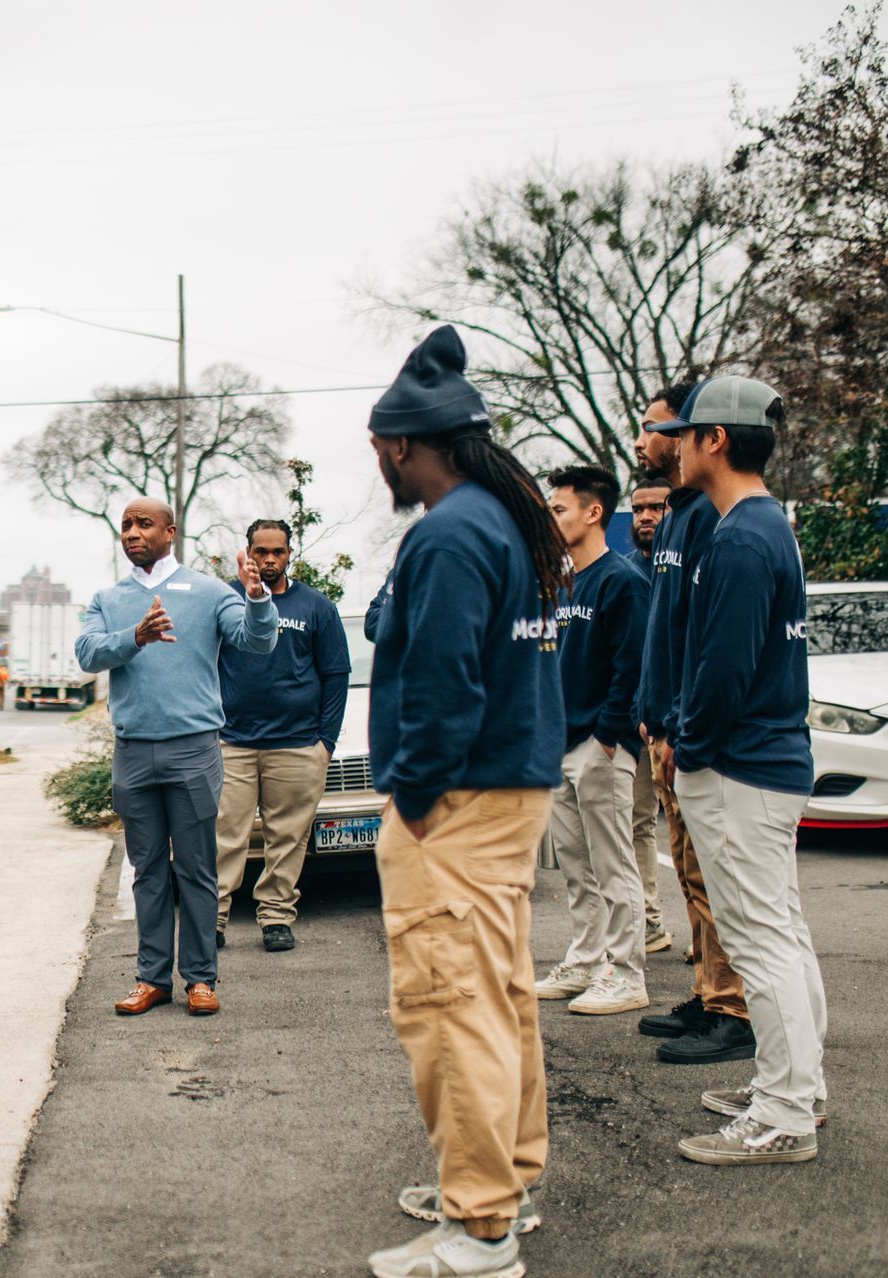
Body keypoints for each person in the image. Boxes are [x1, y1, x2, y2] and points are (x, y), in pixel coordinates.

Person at [363, 327, 565, 1278]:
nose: (380, 467)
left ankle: (479, 1227)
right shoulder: (505, 518)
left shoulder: (447, 533)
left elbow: (444, 683)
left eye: (379, 452)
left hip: (460, 802)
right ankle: (502, 1186)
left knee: (451, 1003)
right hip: (512, 788)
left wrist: (412, 799)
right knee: (500, 997)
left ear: (404, 444)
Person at [645, 377, 827, 1166]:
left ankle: (785, 1112)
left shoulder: (742, 537)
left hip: (742, 766)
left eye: (685, 435)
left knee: (761, 942)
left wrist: (692, 743)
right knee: (779, 932)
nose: (673, 447)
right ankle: (798, 1089)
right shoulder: (759, 525)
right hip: (762, 762)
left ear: (717, 439)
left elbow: (723, 667)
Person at [76, 499, 279, 1018]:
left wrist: (256, 599)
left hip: (193, 750)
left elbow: (257, 641)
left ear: (171, 531)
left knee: (195, 869)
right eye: (126, 525)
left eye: (144, 524)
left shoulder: (210, 592)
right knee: (146, 871)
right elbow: (87, 654)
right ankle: (151, 978)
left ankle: (200, 979)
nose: (132, 533)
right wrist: (134, 637)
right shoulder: (109, 597)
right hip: (133, 750)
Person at [632, 384, 755, 1066]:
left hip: (691, 734)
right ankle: (709, 992)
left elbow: (708, 638)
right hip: (662, 728)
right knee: (688, 875)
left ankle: (734, 1008)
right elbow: (665, 628)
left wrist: (681, 723)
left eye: (655, 429)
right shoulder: (676, 514)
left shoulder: (712, 514)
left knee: (712, 876)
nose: (646, 441)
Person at [534, 466, 651, 1016]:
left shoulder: (622, 580)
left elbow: (633, 666)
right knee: (576, 867)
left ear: (593, 512)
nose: (550, 518)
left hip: (601, 747)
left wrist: (608, 737)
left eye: (558, 509)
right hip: (562, 743)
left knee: (613, 864)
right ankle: (585, 960)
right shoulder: (562, 584)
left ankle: (627, 973)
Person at [214, 518, 350, 952]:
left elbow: (336, 674)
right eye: (260, 552)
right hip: (232, 742)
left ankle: (275, 916)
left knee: (288, 838)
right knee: (222, 834)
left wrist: (325, 742)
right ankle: (211, 918)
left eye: (277, 552)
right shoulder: (226, 600)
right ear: (248, 552)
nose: (269, 560)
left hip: (296, 744)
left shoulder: (316, 606)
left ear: (291, 553)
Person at [627, 476, 676, 956]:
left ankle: (712, 937)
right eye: (639, 508)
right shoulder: (624, 573)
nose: (646, 517)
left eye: (657, 508)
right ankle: (650, 922)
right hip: (633, 722)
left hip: (678, 721)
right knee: (639, 824)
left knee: (693, 832)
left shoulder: (684, 567)